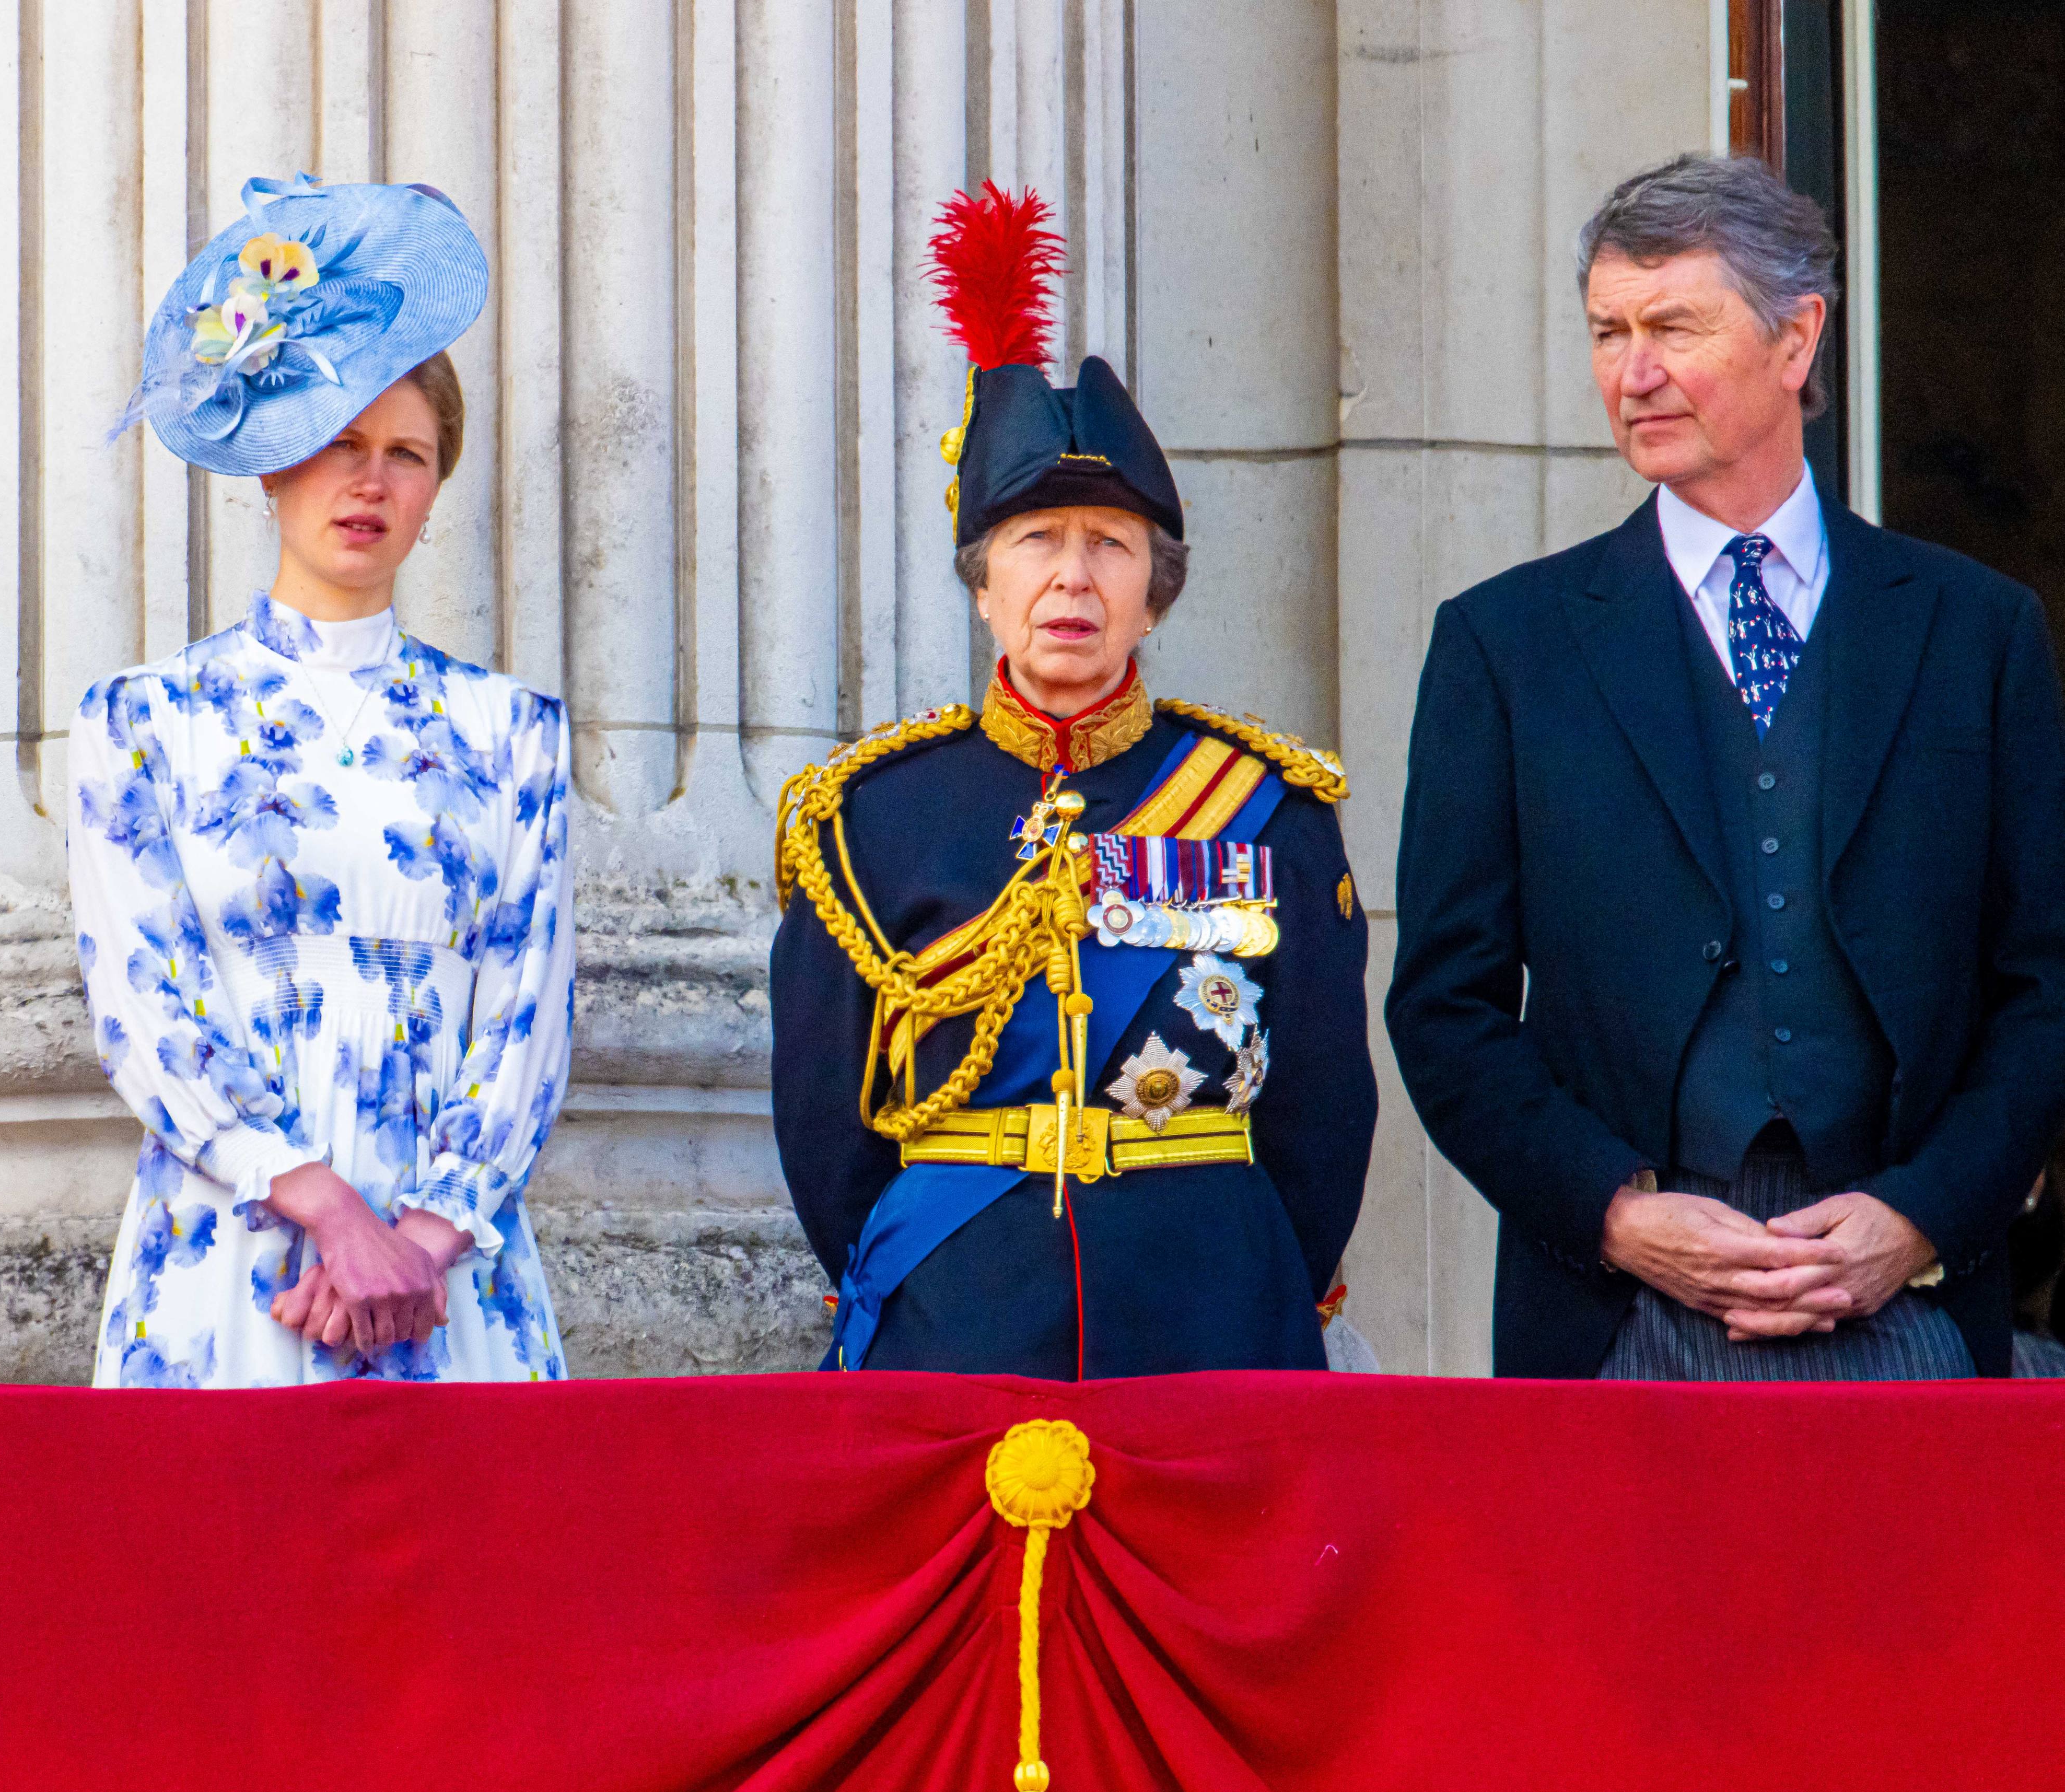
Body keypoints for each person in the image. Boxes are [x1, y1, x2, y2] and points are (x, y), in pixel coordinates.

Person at [1386, 154, 2065, 1379]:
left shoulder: (1976, 632)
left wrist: (1918, 1217)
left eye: (1673, 328)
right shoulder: (1506, 644)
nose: (1631, 373)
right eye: (1608, 332)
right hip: (1616, 1319)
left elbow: (2047, 984)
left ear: (1797, 339)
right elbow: (1445, 1008)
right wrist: (1614, 1215)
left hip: (1909, 1303)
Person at [769, 184, 1375, 1381]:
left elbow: (1320, 1107)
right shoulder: (872, 815)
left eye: (1110, 546)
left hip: (1211, 1307)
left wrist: (1259, 1276)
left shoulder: (1267, 801)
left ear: (1158, 589)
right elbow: (826, 1128)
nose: (1073, 578)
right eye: (1036, 545)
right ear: (983, 583)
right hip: (957, 1313)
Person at [71, 174, 574, 1388]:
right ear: (270, 468)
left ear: (435, 488)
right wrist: (327, 1214)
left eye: (406, 454)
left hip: (447, 1276)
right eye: (341, 444)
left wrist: (419, 1237)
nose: (371, 481)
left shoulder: (512, 731)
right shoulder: (145, 720)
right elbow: (144, 1003)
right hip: (228, 1257)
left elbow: (528, 1015)